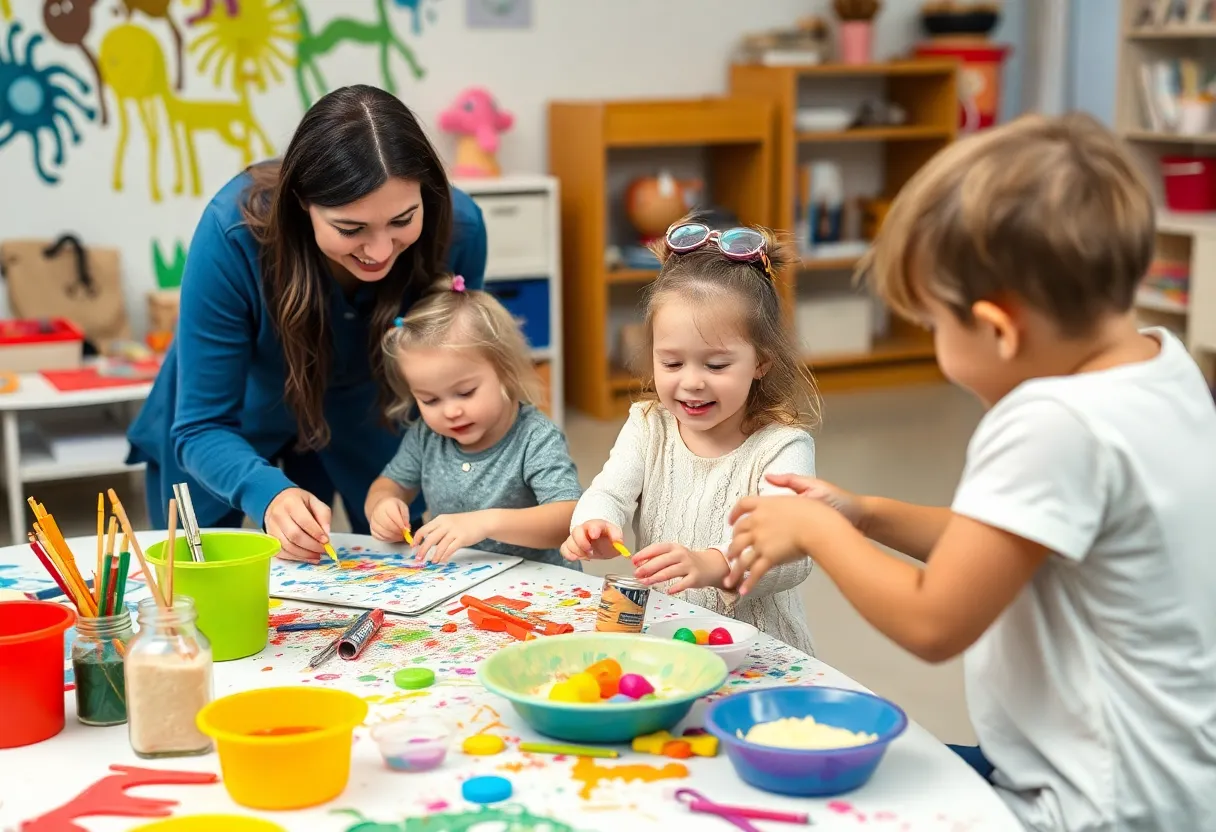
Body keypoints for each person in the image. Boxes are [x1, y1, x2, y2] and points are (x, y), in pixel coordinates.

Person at [725, 114, 1216, 831]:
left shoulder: (1052, 421)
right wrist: (864, 514)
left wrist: (818, 535)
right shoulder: (1163, 366)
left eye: (933, 327)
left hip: (1090, 804)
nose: (936, 349)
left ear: (999, 327)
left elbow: (935, 619)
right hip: (1171, 786)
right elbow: (1014, 542)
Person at [126, 85, 488, 562]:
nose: (379, 251)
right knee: (198, 585)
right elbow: (202, 424)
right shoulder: (232, 233)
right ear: (301, 202)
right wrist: (267, 493)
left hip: (368, 413)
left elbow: (454, 372)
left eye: (402, 220)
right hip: (227, 425)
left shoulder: (458, 227)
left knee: (402, 567)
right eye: (350, 228)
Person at [562, 219, 820, 654]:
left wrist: (715, 564)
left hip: (758, 655)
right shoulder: (649, 425)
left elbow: (793, 551)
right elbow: (608, 492)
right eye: (672, 363)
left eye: (716, 366)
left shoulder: (783, 446)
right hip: (668, 645)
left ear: (762, 362)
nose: (692, 383)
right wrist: (593, 522)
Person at [364, 276, 581, 567]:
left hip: (538, 592)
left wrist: (485, 523)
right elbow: (388, 485)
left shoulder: (535, 437)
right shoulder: (427, 436)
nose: (450, 411)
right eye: (430, 400)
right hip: (460, 585)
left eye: (465, 392)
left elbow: (567, 517)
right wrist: (382, 506)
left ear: (505, 371)